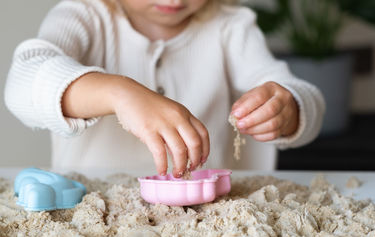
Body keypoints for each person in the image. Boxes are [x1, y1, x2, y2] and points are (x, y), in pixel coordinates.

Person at [4, 0, 325, 178]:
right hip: (94, 212)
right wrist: (119, 93)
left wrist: (289, 108)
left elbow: (303, 95)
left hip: (206, 219)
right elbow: (21, 83)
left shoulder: (232, 25)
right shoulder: (83, 16)